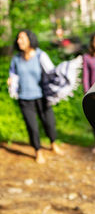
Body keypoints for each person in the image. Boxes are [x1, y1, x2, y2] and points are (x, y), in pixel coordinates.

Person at [7, 30, 62, 164]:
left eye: (22, 38)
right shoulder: (16, 59)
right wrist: (11, 82)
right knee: (32, 126)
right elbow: (13, 75)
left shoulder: (40, 55)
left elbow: (52, 72)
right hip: (24, 98)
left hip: (42, 97)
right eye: (18, 38)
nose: (19, 41)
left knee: (49, 123)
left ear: (30, 39)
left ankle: (53, 143)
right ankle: (38, 151)